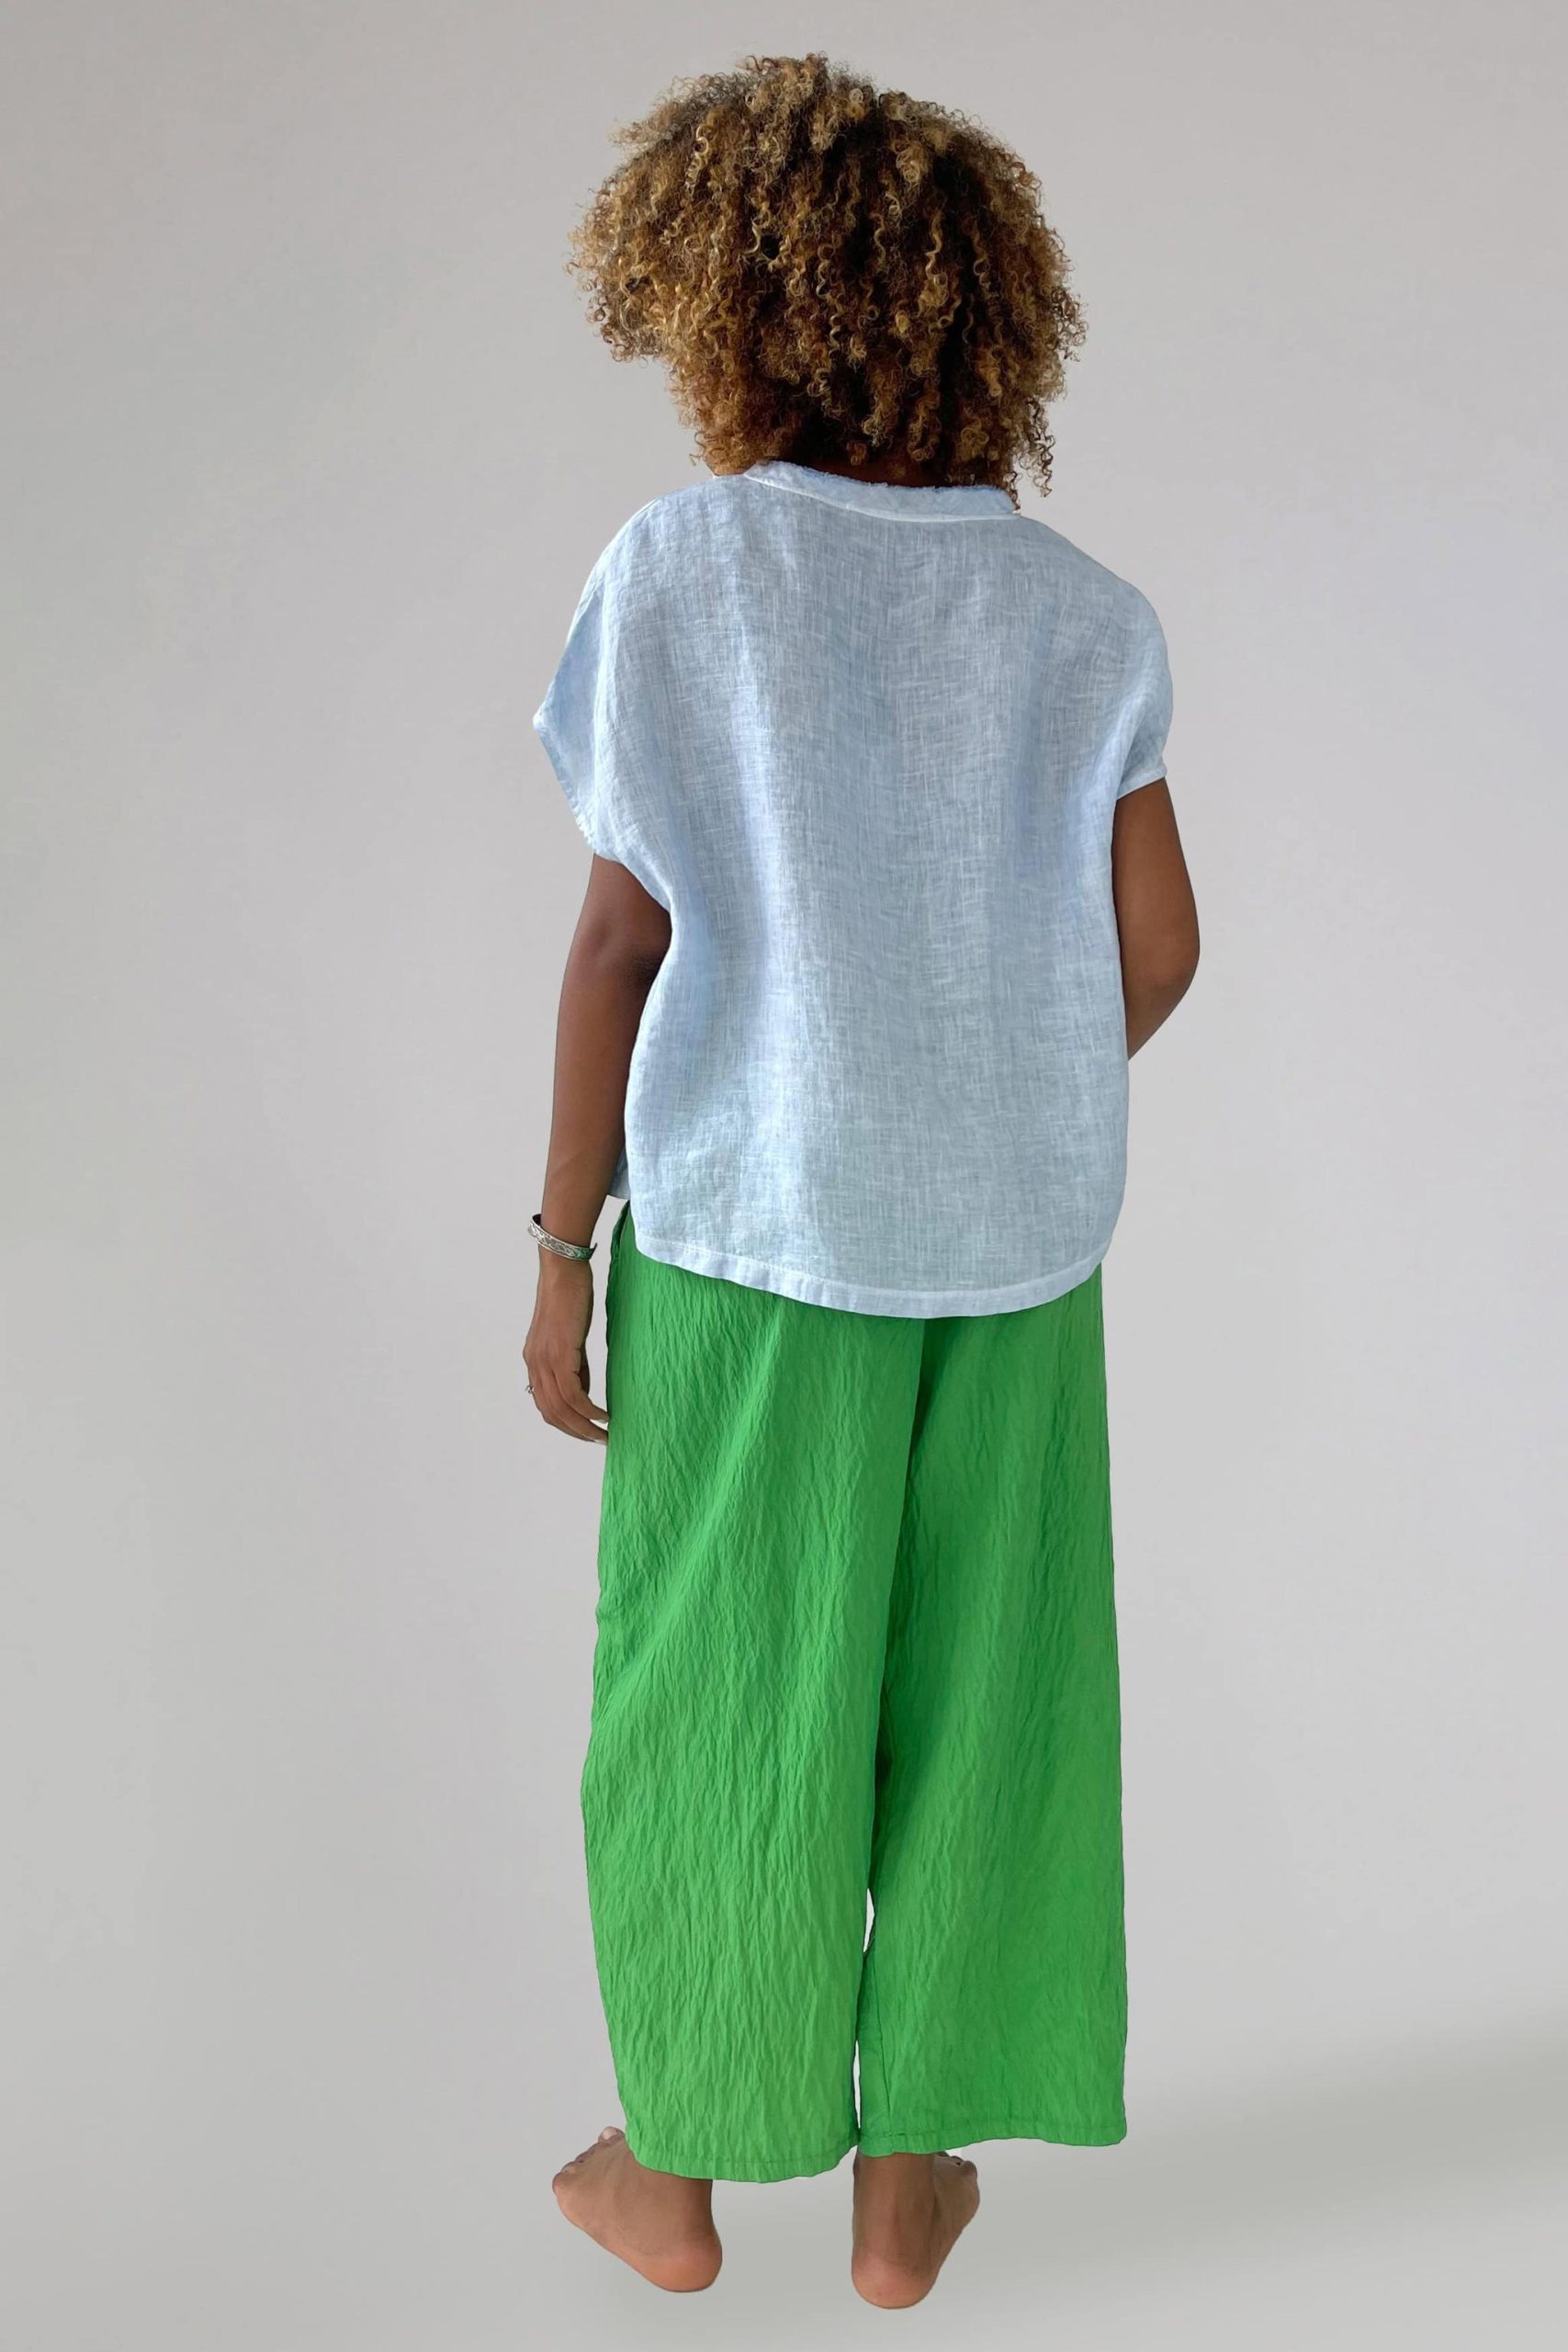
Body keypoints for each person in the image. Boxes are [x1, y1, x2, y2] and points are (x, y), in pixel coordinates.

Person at [524, 52, 1199, 2309]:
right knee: (989, 1698)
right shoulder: (1083, 614)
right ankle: (909, 2190)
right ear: (987, 316)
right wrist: (988, 1093)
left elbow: (615, 945)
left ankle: (678, 2173)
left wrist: (559, 1251)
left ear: (730, 306)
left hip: (748, 1242)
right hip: (1012, 1256)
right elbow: (1159, 944)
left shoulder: (683, 571)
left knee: (724, 1687)